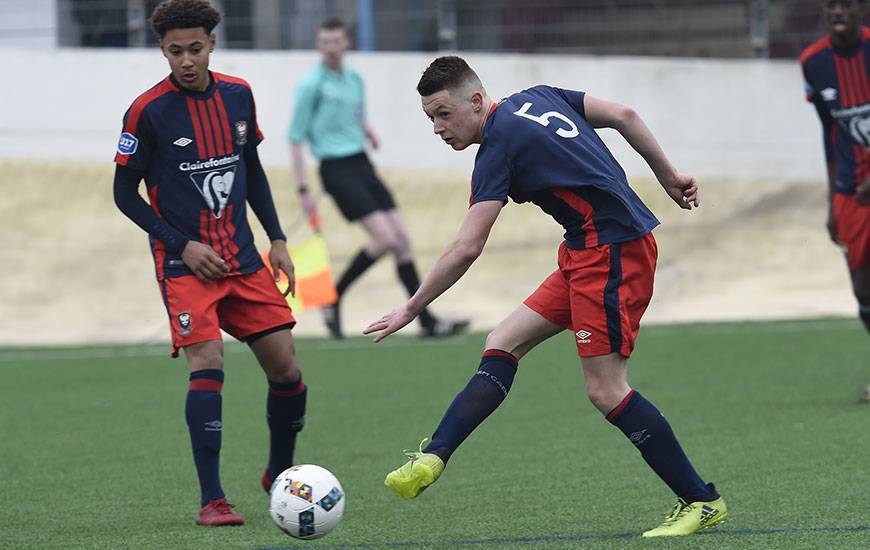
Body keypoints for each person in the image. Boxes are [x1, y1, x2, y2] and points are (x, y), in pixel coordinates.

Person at [365, 56, 727, 537]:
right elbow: (625, 116)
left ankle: (701, 500)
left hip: (612, 252)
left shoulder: (496, 148)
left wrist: (412, 306)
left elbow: (468, 245)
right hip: (586, 249)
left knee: (605, 390)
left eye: (443, 114)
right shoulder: (538, 96)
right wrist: (667, 176)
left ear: (476, 101)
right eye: (429, 118)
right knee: (503, 341)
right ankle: (433, 457)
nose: (437, 127)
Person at [113, 0, 308, 526]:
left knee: (288, 372)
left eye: (195, 49)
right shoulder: (147, 111)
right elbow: (124, 194)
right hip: (185, 267)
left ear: (212, 44)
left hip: (244, 261)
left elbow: (254, 172)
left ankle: (280, 475)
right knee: (208, 365)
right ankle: (212, 500)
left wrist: (279, 239)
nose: (186, 61)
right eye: (175, 51)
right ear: (163, 50)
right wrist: (182, 246)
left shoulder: (238, 95)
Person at [288, 18, 468, 339]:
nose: (330, 47)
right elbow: (295, 137)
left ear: (346, 44)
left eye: (336, 41)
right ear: (319, 45)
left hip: (361, 163)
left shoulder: (354, 79)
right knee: (384, 239)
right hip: (335, 168)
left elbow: (356, 114)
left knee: (402, 242)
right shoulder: (311, 85)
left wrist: (367, 131)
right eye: (325, 41)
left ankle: (427, 322)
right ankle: (333, 297)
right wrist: (302, 186)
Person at [800, 0, 870, 402]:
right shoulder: (814, 61)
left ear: (861, 9)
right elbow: (830, 133)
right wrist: (831, 203)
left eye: (846, 4)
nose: (837, 11)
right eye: (830, 5)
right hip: (849, 192)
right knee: (863, 290)